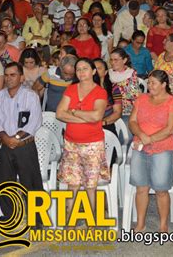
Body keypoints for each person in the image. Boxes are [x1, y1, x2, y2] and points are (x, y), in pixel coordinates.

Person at [57, 58, 109, 228]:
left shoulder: (100, 92)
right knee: (72, 183)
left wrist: (73, 112)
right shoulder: (71, 89)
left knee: (90, 185)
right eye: (78, 69)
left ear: (93, 71)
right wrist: (83, 116)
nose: (81, 72)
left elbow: (97, 116)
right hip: (71, 142)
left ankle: (91, 221)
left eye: (85, 68)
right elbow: (59, 114)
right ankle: (69, 221)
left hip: (93, 144)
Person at [0, 62, 44, 226]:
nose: (8, 78)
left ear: (21, 77)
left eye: (13, 75)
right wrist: (6, 139)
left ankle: (36, 220)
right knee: (4, 182)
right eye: (6, 75)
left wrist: (15, 138)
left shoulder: (31, 96)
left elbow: (34, 121)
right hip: (5, 145)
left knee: (31, 182)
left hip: (25, 146)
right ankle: (9, 217)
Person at [129, 70, 173, 232]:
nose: (149, 86)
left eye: (153, 83)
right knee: (141, 188)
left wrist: (149, 139)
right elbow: (132, 121)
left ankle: (163, 224)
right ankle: (140, 223)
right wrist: (141, 135)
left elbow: (171, 129)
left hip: (162, 149)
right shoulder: (142, 98)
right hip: (140, 146)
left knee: (161, 189)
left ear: (164, 85)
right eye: (148, 82)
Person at [108, 48, 140, 128]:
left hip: (127, 110)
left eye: (116, 60)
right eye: (111, 60)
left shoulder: (131, 73)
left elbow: (133, 95)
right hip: (111, 107)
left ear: (124, 60)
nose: (112, 63)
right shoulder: (109, 73)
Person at [93, 58, 122, 134]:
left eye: (99, 68)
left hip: (106, 124)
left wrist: (102, 123)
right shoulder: (84, 88)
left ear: (105, 72)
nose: (95, 71)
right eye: (93, 68)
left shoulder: (113, 88)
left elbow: (117, 112)